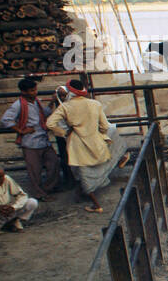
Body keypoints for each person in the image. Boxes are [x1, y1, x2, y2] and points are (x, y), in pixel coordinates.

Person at [45, 79, 125, 213]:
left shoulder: (65, 107)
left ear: (70, 92)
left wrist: (64, 133)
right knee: (98, 163)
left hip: (76, 143)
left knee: (83, 173)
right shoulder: (95, 104)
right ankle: (91, 197)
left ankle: (96, 204)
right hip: (95, 139)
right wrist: (102, 135)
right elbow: (105, 126)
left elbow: (50, 124)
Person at [0, 77, 60, 200]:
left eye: (35, 90)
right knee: (35, 170)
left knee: (54, 163)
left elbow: (45, 112)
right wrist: (21, 130)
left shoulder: (36, 102)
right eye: (32, 90)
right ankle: (40, 194)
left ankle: (48, 188)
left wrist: (52, 102)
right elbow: (5, 120)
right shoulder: (18, 105)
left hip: (43, 140)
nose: (34, 92)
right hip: (30, 143)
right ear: (24, 92)